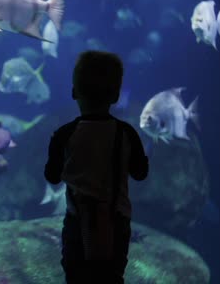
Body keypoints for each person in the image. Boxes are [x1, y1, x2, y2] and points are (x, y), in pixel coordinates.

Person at [44, 50, 149, 283]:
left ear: (74, 92)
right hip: (116, 222)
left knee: (76, 275)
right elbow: (140, 173)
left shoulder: (64, 134)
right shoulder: (126, 133)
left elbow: (52, 176)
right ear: (115, 96)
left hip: (76, 222)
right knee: (111, 276)